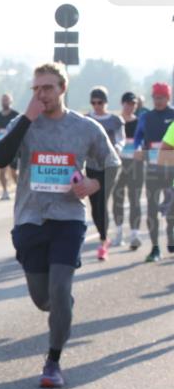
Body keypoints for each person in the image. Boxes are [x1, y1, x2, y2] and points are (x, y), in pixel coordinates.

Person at [0, 63, 119, 389]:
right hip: (30, 219)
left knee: (60, 289)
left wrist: (94, 184)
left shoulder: (85, 128)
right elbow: (0, 157)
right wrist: (27, 119)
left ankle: (53, 362)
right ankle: (60, 307)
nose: (41, 94)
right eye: (36, 89)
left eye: (47, 88)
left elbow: (112, 162)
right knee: (43, 298)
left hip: (68, 219)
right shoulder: (24, 124)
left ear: (62, 88)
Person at [132, 82, 174, 262]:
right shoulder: (146, 117)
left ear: (168, 97)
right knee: (151, 210)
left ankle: (171, 238)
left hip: (171, 169)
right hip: (153, 169)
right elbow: (137, 138)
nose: (158, 101)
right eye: (156, 97)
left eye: (162, 97)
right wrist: (137, 151)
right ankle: (155, 248)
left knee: (171, 210)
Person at [85, 87, 124, 260]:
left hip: (109, 167)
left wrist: (116, 148)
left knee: (102, 202)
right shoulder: (86, 119)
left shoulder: (115, 120)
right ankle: (104, 235)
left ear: (106, 102)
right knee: (94, 205)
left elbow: (121, 138)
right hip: (92, 166)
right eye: (93, 102)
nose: (96, 106)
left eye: (99, 102)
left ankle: (103, 241)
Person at [112, 91, 145, 249]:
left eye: (133, 104)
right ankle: (118, 233)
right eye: (128, 103)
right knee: (117, 199)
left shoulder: (140, 122)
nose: (130, 106)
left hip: (136, 166)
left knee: (135, 200)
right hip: (118, 166)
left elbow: (146, 143)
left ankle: (134, 234)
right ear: (122, 103)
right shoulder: (116, 122)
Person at [0, 93, 20, 200]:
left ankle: (19, 189)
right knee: (2, 170)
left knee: (14, 172)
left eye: (7, 100)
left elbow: (20, 128)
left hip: (13, 147)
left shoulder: (15, 115)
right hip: (1, 146)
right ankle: (5, 191)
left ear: (11, 101)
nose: (5, 102)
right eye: (3, 100)